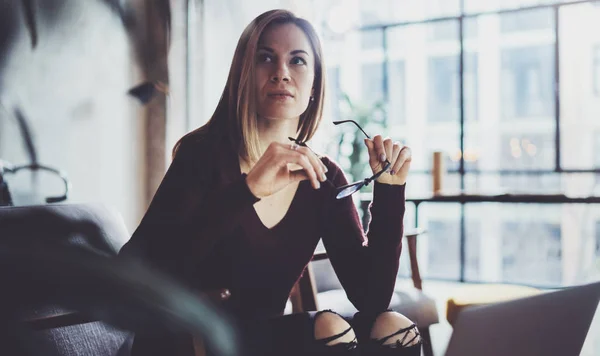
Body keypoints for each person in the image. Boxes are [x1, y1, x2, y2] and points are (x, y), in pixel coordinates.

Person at [119, 9, 419, 356]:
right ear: (244, 74)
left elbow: (371, 298)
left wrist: (391, 191)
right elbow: (136, 267)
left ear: (314, 84)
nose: (281, 73)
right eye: (266, 58)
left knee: (393, 327)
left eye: (297, 61)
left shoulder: (322, 178)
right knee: (329, 328)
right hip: (190, 340)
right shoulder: (201, 156)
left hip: (265, 338)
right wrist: (247, 191)